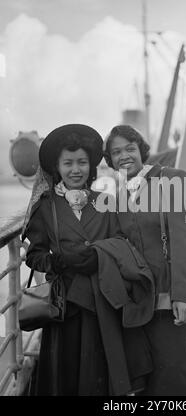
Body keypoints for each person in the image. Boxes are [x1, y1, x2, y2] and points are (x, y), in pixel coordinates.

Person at [22, 124, 152, 396]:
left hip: (101, 303)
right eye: (68, 163)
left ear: (91, 166)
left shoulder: (106, 201)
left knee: (99, 374)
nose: (75, 169)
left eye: (81, 162)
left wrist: (99, 254)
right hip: (64, 306)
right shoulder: (45, 207)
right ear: (57, 167)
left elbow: (121, 242)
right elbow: (34, 256)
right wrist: (57, 261)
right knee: (66, 376)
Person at [104, 124, 186, 396]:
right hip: (141, 300)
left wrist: (184, 295)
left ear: (141, 150)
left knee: (173, 373)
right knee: (148, 377)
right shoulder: (121, 196)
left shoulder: (172, 179)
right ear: (110, 160)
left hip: (171, 296)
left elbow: (185, 240)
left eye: (130, 149)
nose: (124, 156)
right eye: (116, 152)